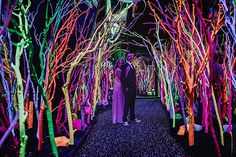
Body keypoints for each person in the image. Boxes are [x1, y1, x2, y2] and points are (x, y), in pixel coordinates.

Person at [121, 52, 141, 126]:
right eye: (129, 56)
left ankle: (132, 118)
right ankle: (124, 120)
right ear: (126, 57)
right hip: (128, 88)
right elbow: (123, 78)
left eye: (131, 56)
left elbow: (133, 77)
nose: (130, 57)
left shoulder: (132, 65)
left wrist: (136, 85)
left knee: (132, 103)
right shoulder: (125, 65)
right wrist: (125, 87)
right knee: (127, 104)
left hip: (133, 87)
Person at [112, 58, 125, 124]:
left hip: (118, 85)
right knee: (119, 101)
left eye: (122, 63)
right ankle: (119, 118)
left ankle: (118, 117)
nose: (121, 64)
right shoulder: (118, 70)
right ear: (117, 63)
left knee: (119, 101)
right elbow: (122, 78)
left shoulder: (119, 69)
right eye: (119, 63)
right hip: (119, 85)